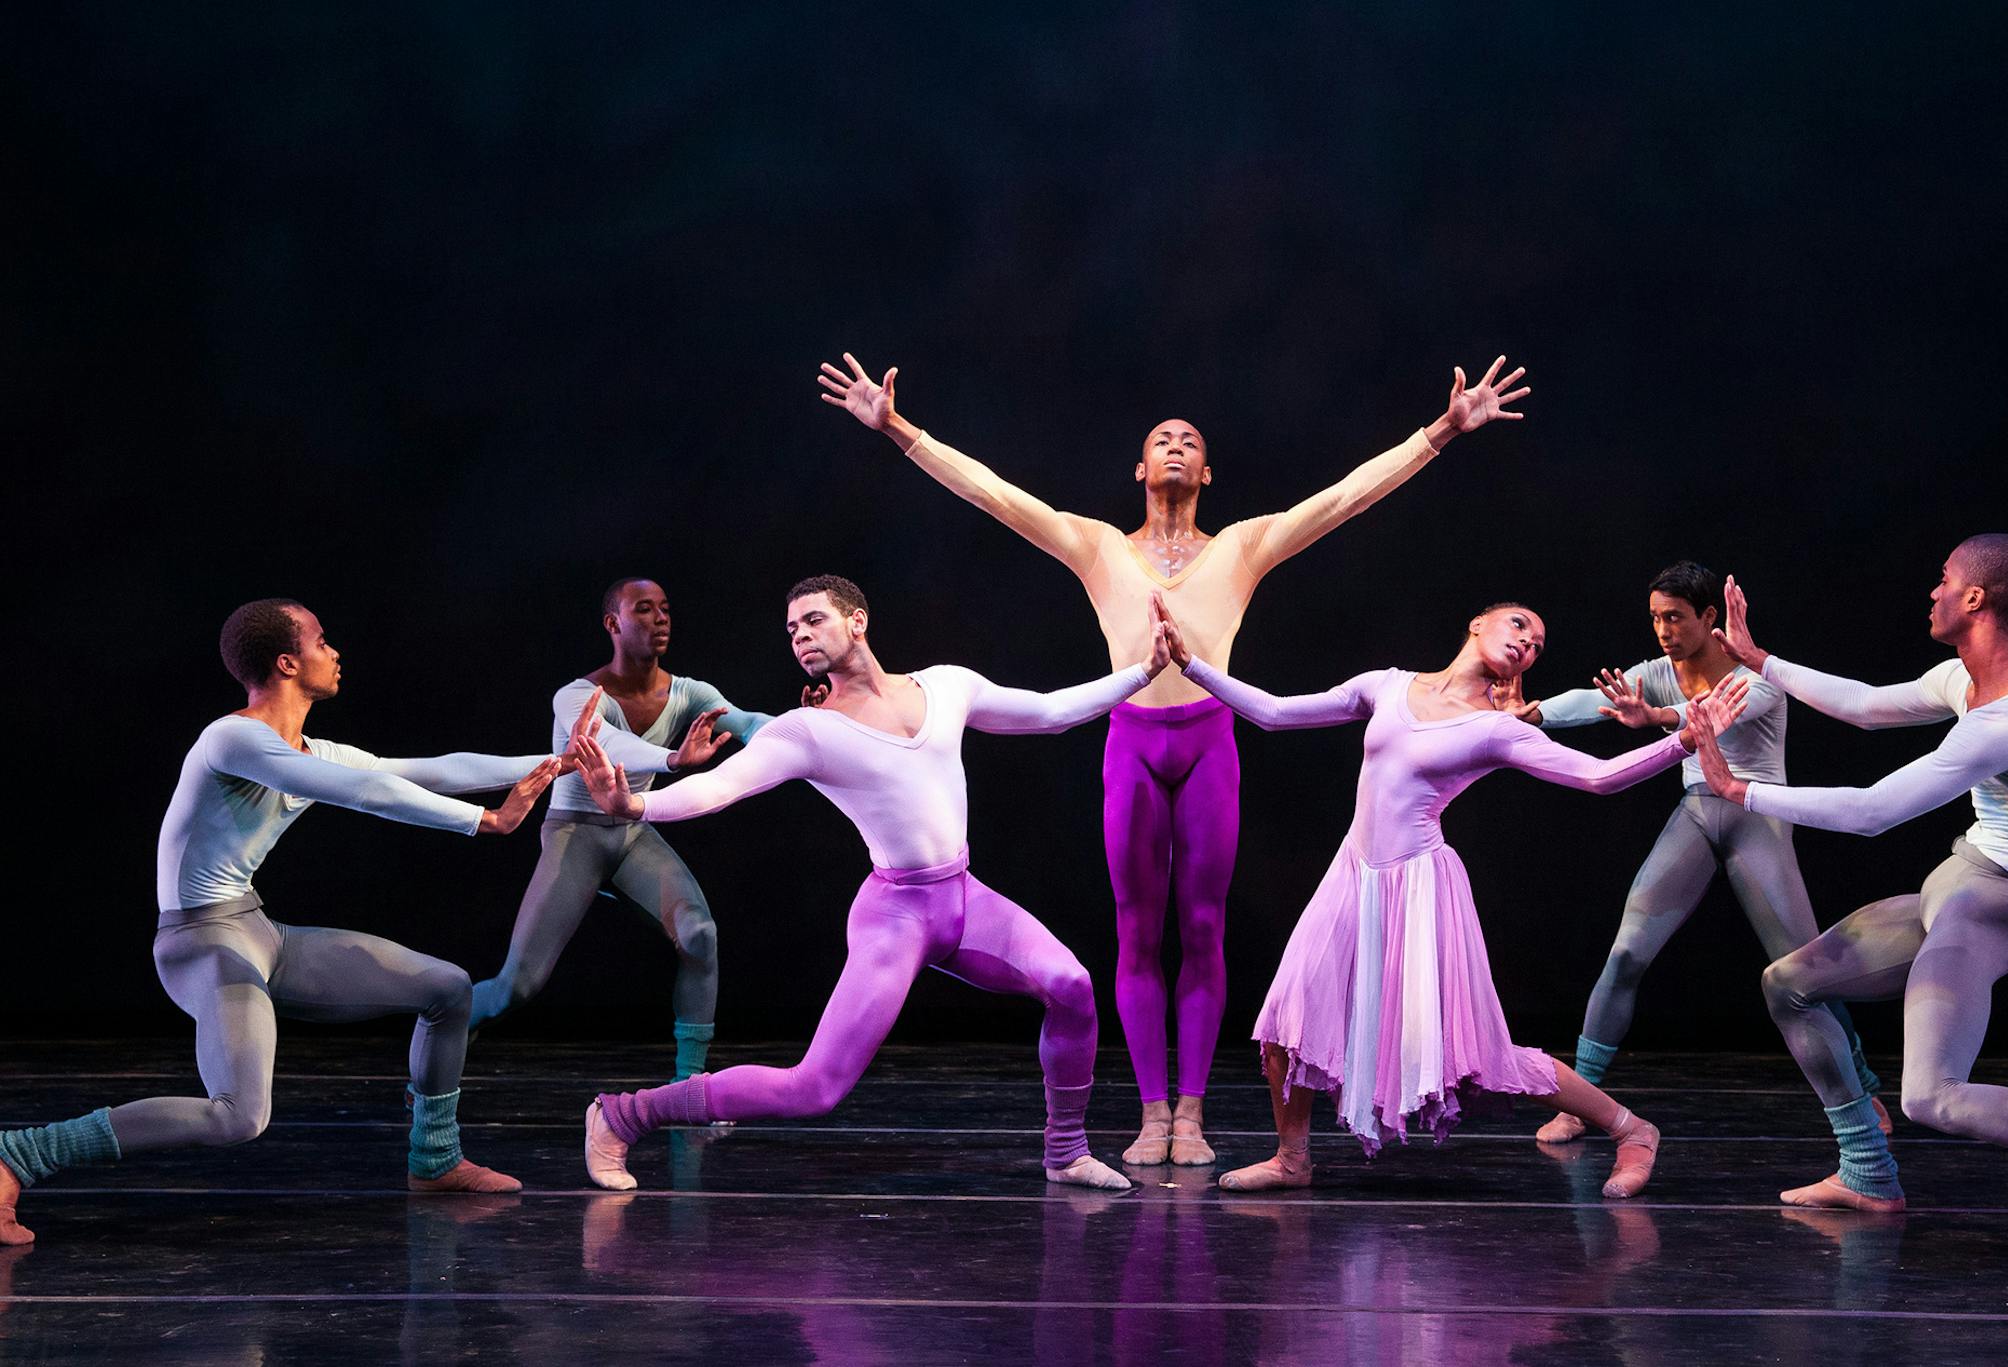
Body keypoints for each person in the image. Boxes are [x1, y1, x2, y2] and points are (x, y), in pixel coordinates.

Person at [819, 349, 1529, 1165]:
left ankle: (1191, 1114)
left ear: (1209, 470)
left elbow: (1345, 498)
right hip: (1132, 745)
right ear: (1139, 466)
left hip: (1207, 744)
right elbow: (993, 493)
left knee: (1201, 926)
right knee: (1135, 931)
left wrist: (1443, 428)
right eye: (1163, 437)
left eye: (1190, 438)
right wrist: (895, 426)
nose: (1177, 444)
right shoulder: (1096, 547)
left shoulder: (1242, 547)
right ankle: (1150, 1112)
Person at [0, 599, 582, 1245]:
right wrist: (486, 820)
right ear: (286, 661)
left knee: (447, 989)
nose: (334, 652)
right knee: (238, 1116)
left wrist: (567, 761)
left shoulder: (309, 747)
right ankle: (16, 1155)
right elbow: (365, 792)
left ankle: (435, 1161)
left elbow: (433, 767)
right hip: (202, 941)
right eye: (322, 640)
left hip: (258, 930)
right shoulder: (233, 737)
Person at [573, 575, 1175, 1193]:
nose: (800, 637)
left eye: (813, 621)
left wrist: (1142, 672)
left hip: (964, 899)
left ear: (857, 621)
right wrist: (639, 808)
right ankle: (622, 1114)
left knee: (1071, 985)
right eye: (791, 630)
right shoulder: (807, 732)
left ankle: (1066, 1152)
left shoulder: (947, 687)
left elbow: (1049, 712)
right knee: (814, 1089)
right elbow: (720, 787)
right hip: (896, 916)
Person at [1154, 594, 1747, 1196]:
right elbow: (1277, 713)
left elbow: (1595, 777)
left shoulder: (1495, 728)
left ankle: (1632, 1129)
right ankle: (1292, 1158)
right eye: (1519, 625)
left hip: (1420, 890)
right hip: (1353, 874)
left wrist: (1684, 742)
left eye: (1538, 645)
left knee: (1481, 1059)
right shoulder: (1386, 685)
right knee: (1287, 1021)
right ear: (1478, 623)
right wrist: (1192, 665)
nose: (1526, 643)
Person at [1692, 538, 2008, 1269]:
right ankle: (1868, 1172)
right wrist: (1760, 659)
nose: (1931, 591)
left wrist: (1740, 791)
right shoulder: (1967, 682)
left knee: (1932, 1096)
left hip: (1997, 906)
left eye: (1944, 580)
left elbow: (1875, 809)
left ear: (1975, 598)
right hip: (1958, 880)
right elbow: (1870, 707)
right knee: (1789, 983)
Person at [1513, 561, 1887, 1142]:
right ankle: (1579, 1103)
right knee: (1627, 953)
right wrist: (1534, 713)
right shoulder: (1662, 670)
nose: (1663, 629)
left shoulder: (1756, 676)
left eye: (1675, 617)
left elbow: (1708, 715)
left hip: (1757, 818)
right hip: (1695, 814)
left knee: (1803, 972)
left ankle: (1861, 1093)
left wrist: (1657, 717)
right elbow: (1595, 700)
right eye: (1656, 618)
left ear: (1710, 616)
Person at [471, 577, 774, 1081]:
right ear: (613, 624)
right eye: (645, 609)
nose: (661, 619)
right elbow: (607, 743)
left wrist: (804, 727)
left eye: (666, 609)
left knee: (700, 935)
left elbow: (746, 723)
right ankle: (445, 1030)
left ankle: (689, 1087)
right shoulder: (577, 697)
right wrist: (674, 758)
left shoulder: (688, 693)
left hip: (632, 834)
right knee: (516, 987)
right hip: (576, 833)